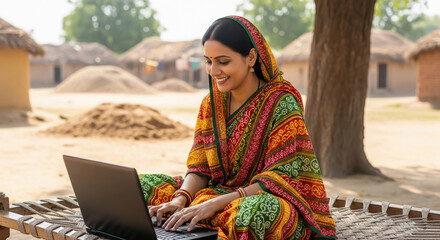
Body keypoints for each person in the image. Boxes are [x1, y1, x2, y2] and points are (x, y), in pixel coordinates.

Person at [140, 16, 336, 239]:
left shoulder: (281, 103)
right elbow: (200, 167)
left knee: (256, 215)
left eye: (223, 62)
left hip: (262, 200)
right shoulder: (211, 104)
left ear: (251, 57)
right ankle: (194, 216)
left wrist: (213, 204)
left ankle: (205, 218)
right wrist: (180, 199)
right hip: (213, 193)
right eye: (208, 61)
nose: (214, 71)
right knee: (140, 187)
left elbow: (278, 179)